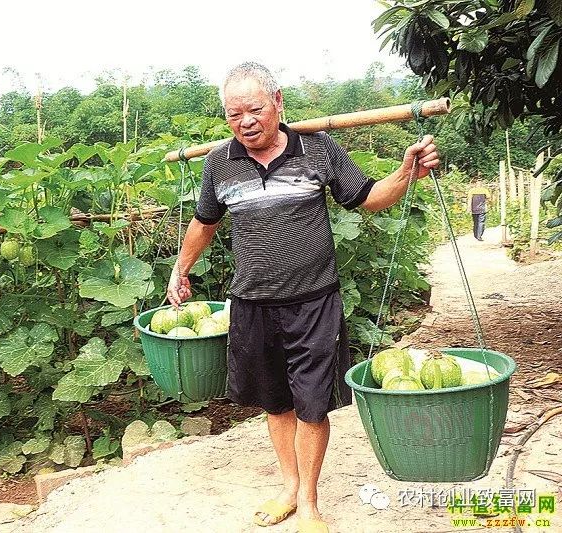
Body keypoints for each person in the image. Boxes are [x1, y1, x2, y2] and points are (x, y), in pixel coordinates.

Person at [165, 62, 439, 533]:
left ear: (278, 102)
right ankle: (289, 488)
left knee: (313, 404)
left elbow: (367, 197)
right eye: (234, 115)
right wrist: (180, 269)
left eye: (254, 109)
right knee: (276, 403)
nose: (246, 121)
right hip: (252, 302)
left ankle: (309, 503)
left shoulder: (318, 149)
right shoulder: (219, 163)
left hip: (314, 302)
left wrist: (405, 172)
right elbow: (205, 222)